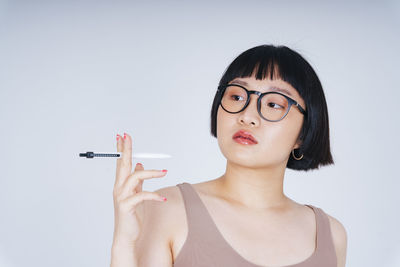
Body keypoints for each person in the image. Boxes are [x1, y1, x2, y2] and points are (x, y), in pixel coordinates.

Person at [110, 44, 348, 267]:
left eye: (273, 104)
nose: (247, 116)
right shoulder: (165, 208)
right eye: (236, 97)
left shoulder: (331, 235)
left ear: (304, 133)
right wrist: (124, 243)